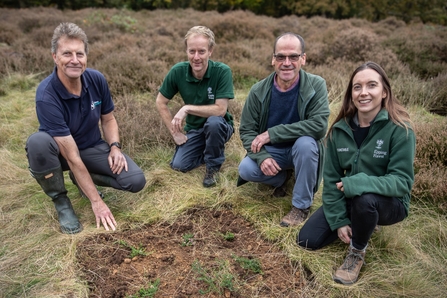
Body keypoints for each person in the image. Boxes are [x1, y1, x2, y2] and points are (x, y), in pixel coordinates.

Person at [297, 61, 416, 285]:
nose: (364, 92)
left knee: (365, 199)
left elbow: (402, 182)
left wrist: (359, 182)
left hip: (390, 203)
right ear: (351, 94)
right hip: (350, 197)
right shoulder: (339, 130)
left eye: (371, 85)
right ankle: (362, 223)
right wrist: (340, 220)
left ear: (384, 92)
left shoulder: (401, 129)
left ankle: (356, 252)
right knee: (306, 240)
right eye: (357, 87)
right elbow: (331, 180)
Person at [25, 22, 146, 234]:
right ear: (54, 56)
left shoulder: (96, 79)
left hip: (91, 146)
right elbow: (71, 156)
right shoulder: (47, 95)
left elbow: (108, 120)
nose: (74, 60)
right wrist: (96, 201)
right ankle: (61, 202)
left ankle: (80, 180)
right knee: (38, 143)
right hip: (60, 155)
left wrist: (115, 147)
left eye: (79, 54)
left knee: (135, 180)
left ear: (86, 56)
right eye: (67, 54)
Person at [238, 33, 330, 227]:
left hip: (303, 150)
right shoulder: (258, 90)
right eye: (281, 57)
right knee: (246, 169)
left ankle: (301, 206)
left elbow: (319, 126)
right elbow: (247, 130)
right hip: (275, 151)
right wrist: (262, 157)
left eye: (293, 57)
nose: (286, 63)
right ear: (273, 59)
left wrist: (272, 133)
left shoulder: (316, 85)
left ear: (303, 59)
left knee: (305, 144)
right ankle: (282, 177)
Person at [156, 26, 234, 188]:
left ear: (210, 51)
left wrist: (186, 108)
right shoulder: (177, 71)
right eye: (192, 51)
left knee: (213, 123)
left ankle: (212, 167)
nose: (196, 57)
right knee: (179, 166)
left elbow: (220, 110)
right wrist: (175, 133)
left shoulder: (222, 71)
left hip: (220, 126)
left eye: (201, 51)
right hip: (195, 129)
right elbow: (160, 102)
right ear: (186, 51)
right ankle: (209, 150)